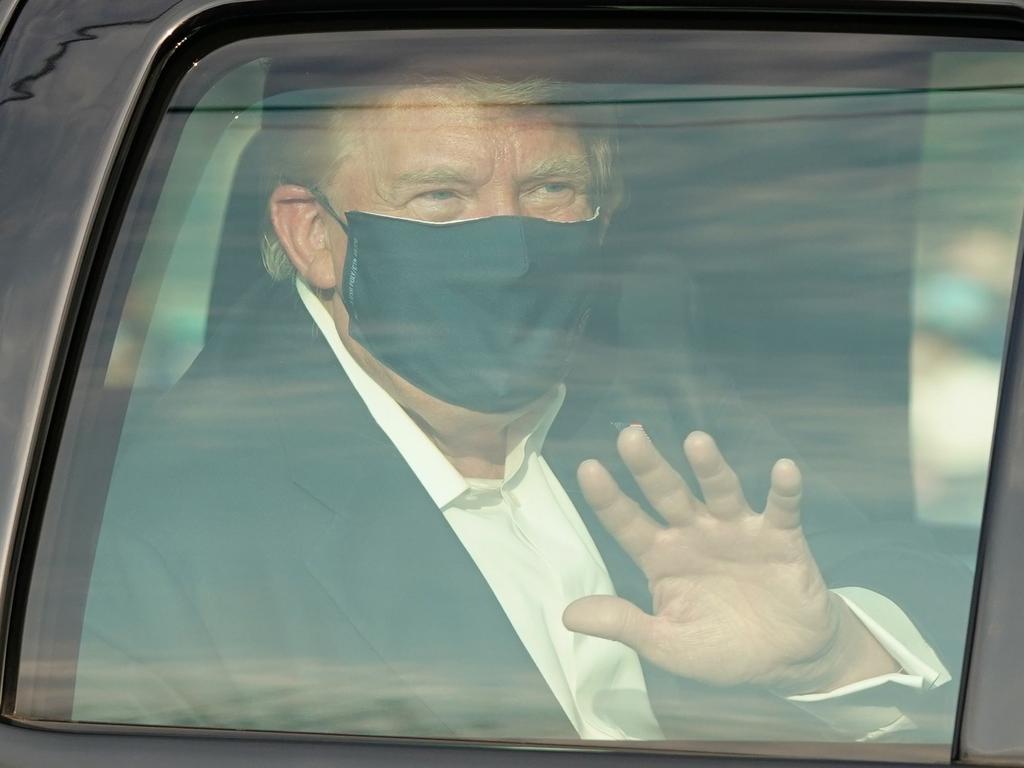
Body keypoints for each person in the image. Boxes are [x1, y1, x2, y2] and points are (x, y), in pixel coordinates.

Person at [74, 76, 960, 741]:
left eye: (549, 192)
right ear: (314, 234)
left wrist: (830, 653)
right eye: (441, 199)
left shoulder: (666, 414)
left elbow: (957, 602)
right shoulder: (156, 522)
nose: (511, 246)